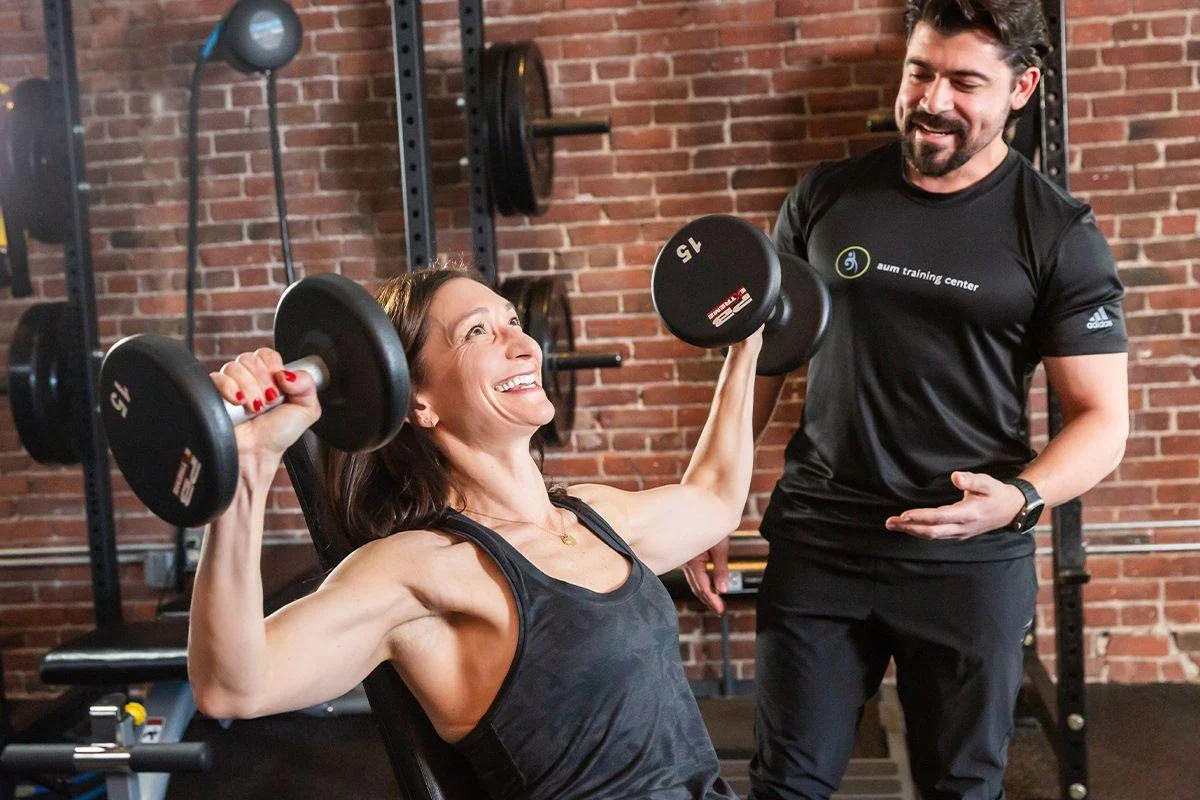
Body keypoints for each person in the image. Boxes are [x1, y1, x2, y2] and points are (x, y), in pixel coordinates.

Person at [684, 2, 1129, 799]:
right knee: (786, 785)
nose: (932, 100)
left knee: (960, 789)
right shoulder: (825, 197)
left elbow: (1102, 417)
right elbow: (758, 362)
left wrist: (1021, 499)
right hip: (822, 542)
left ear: (1022, 87)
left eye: (965, 81)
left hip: (965, 557)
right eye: (921, 71)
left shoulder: (1056, 232)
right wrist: (705, 503)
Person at [187, 265, 761, 800]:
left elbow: (716, 497)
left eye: (512, 321)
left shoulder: (592, 518)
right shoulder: (425, 566)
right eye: (477, 333)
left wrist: (750, 341)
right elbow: (234, 685)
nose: (523, 344)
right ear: (420, 401)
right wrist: (247, 473)